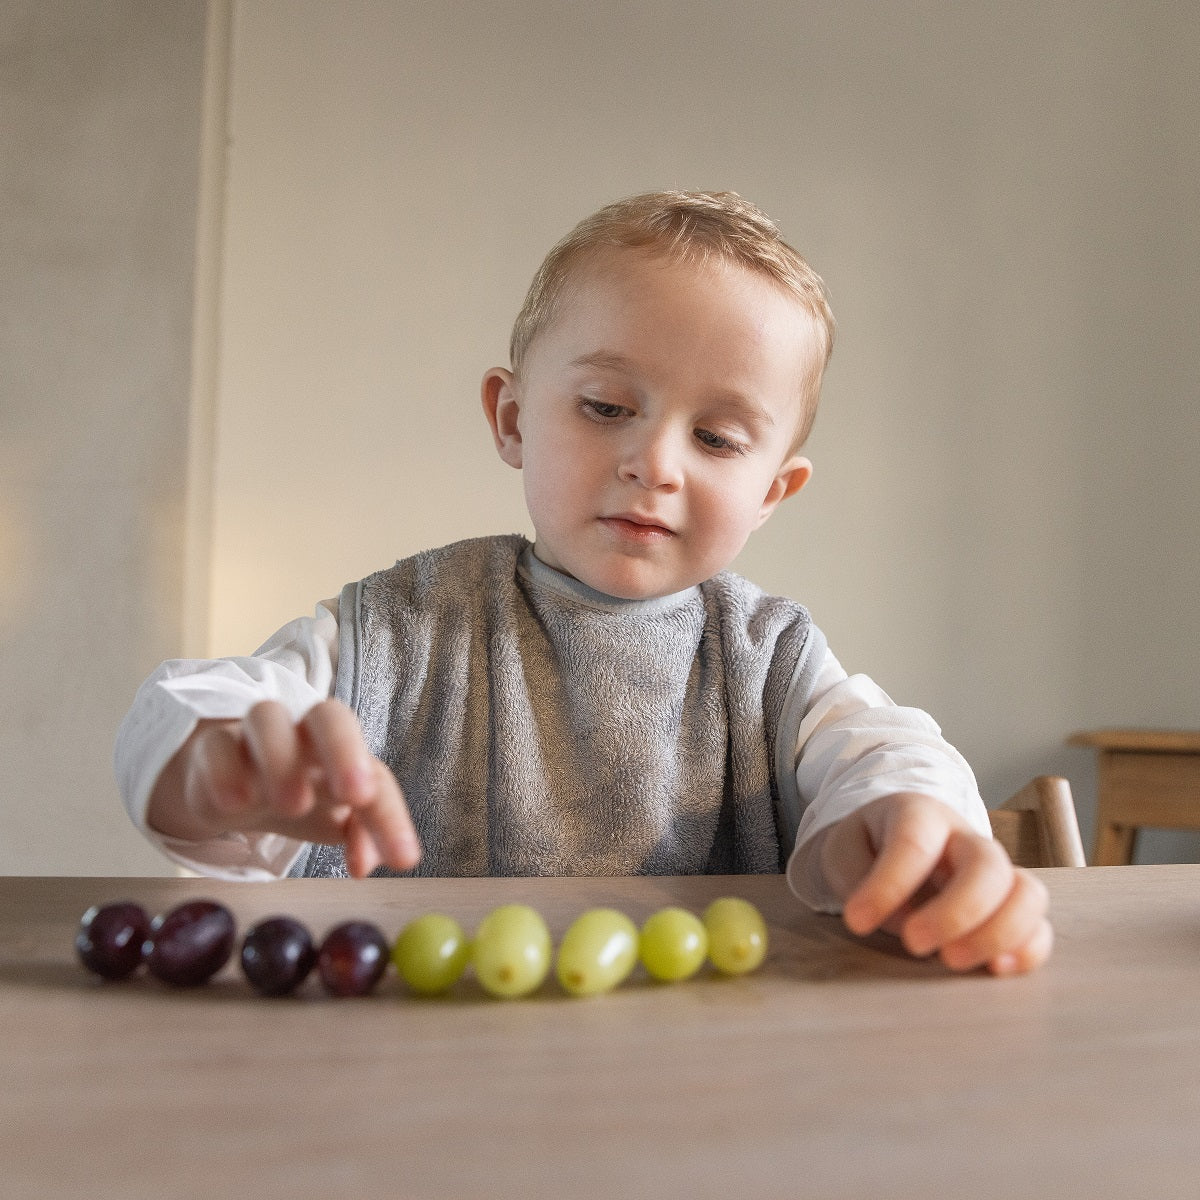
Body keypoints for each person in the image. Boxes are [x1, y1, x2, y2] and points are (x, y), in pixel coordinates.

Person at [115, 190, 1051, 976]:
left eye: (718, 438)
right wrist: (212, 763)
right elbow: (211, 701)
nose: (654, 463)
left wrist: (904, 818)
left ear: (773, 491)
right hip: (394, 1067)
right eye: (606, 407)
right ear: (512, 417)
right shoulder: (396, 628)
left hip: (699, 1074)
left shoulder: (770, 659)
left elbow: (883, 750)